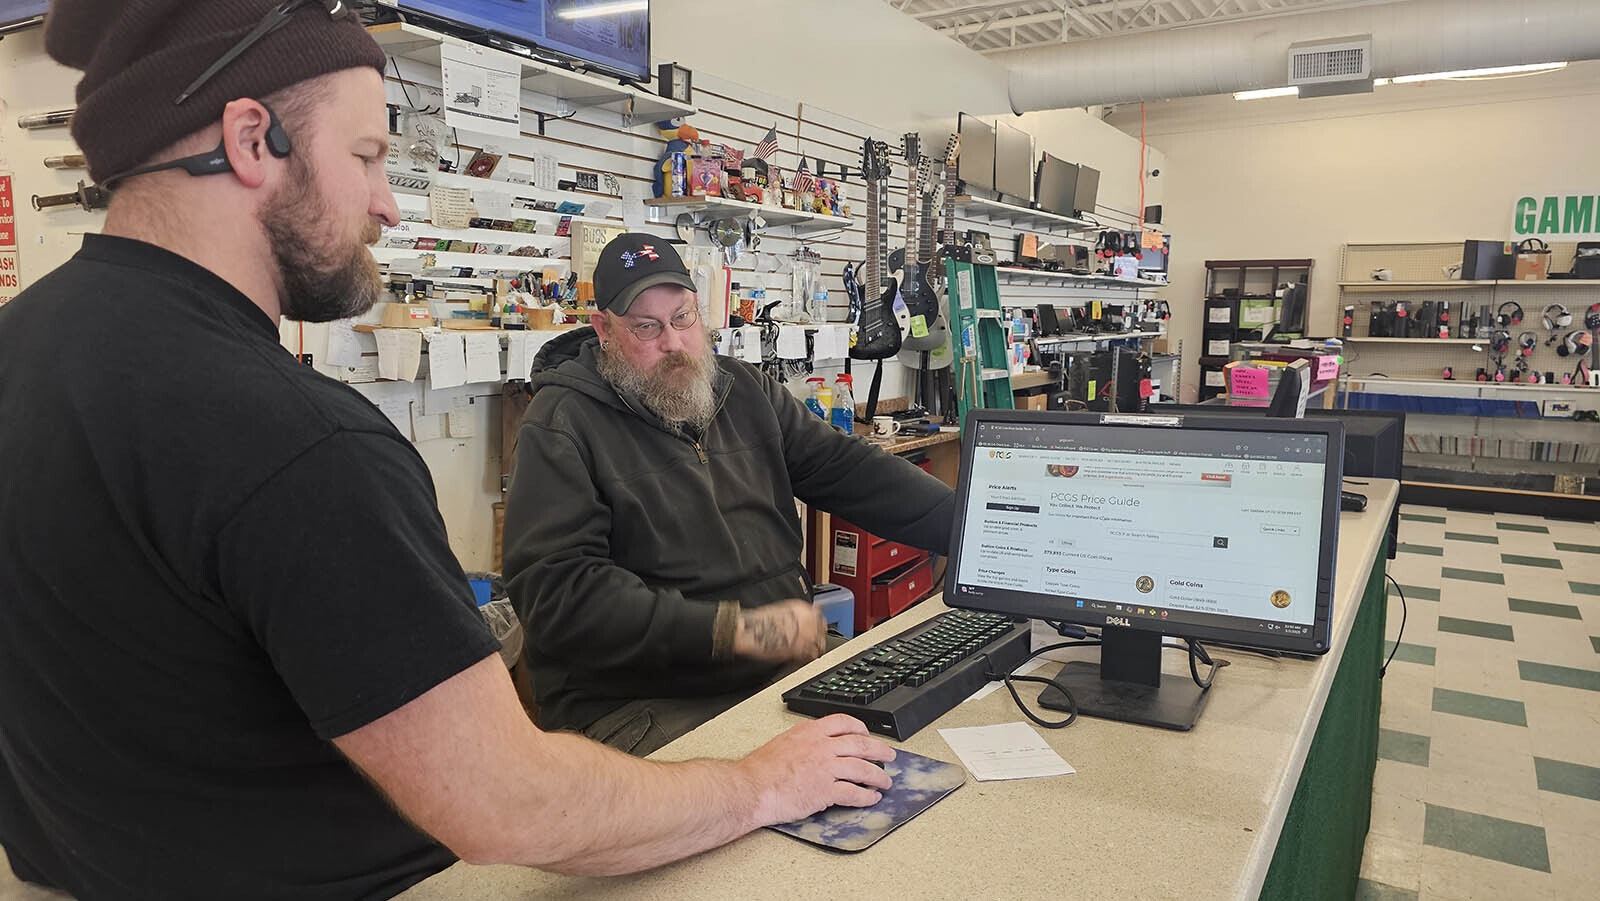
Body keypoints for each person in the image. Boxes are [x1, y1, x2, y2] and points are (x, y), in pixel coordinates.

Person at [0, 3, 893, 899]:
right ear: (249, 138)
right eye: (366, 156)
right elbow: (510, 805)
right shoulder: (301, 442)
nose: (386, 202)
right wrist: (764, 781)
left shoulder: (20, 351)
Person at [504, 234, 956, 757]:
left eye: (683, 318)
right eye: (646, 327)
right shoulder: (561, 424)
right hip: (647, 705)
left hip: (778, 671)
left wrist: (974, 533)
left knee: (931, 734)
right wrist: (728, 631)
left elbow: (848, 468)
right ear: (604, 328)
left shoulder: (744, 390)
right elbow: (560, 597)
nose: (673, 343)